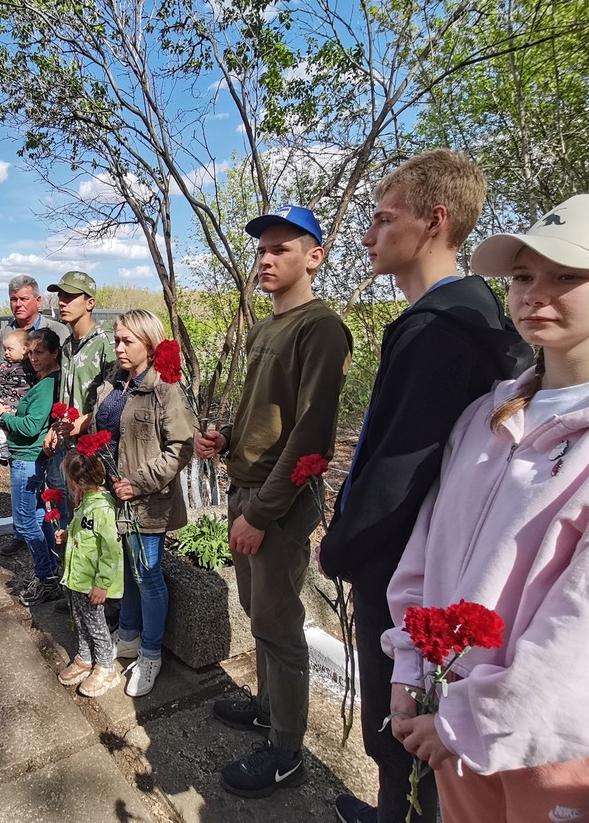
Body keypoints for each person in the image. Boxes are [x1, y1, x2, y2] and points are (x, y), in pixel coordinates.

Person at [383, 194, 589, 823]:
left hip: (560, 746)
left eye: (567, 276)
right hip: (452, 718)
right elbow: (428, 550)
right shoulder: (487, 416)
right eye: (525, 276)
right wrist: (410, 664)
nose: (536, 294)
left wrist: (470, 716)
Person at [317, 150, 533, 823]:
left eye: (383, 219)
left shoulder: (441, 328)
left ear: (435, 221)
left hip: (406, 571)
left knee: (405, 727)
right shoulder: (463, 312)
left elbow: (399, 474)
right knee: (402, 727)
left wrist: (340, 547)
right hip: (418, 568)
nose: (367, 235)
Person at [194, 205, 353, 798]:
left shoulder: (322, 327)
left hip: (277, 503)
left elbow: (311, 435)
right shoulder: (265, 327)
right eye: (261, 248)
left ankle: (287, 752)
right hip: (246, 491)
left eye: (281, 248)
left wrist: (261, 514)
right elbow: (266, 416)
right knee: (258, 615)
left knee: (281, 628)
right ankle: (267, 708)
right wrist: (227, 439)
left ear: (314, 257)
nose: (265, 258)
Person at [90, 309, 195, 697]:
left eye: (126, 341)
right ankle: (130, 635)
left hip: (146, 500)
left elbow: (181, 447)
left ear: (149, 345)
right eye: (117, 339)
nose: (118, 347)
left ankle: (151, 653)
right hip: (112, 495)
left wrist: (137, 482)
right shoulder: (117, 383)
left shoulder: (164, 388)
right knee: (128, 569)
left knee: (148, 576)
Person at [0, 328, 65, 606]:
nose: (33, 358)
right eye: (30, 352)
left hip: (28, 458)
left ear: (54, 353)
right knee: (36, 516)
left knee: (24, 522)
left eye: (40, 352)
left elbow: (32, 425)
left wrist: (5, 417)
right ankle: (50, 569)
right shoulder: (44, 380)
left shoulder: (47, 385)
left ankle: (46, 577)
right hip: (26, 456)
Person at [43, 270, 116, 534]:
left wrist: (85, 422)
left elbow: (116, 396)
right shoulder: (67, 346)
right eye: (61, 295)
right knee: (78, 517)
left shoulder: (106, 343)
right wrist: (55, 429)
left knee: (101, 520)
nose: (62, 301)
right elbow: (65, 395)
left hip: (97, 449)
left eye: (71, 296)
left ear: (89, 302)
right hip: (70, 447)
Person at [55, 448, 124, 698]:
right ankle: (85, 657)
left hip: (91, 582)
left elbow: (110, 549)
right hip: (77, 579)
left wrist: (103, 583)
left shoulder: (102, 508)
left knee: (97, 625)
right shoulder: (86, 503)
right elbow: (83, 534)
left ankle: (105, 667)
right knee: (80, 621)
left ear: (77, 482)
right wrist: (67, 534)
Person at [0, 275, 68, 383]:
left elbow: (67, 370)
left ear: (38, 301)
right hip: (9, 399)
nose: (18, 304)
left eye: (24, 299)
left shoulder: (58, 331)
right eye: (13, 299)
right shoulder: (2, 336)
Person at [0, 328, 35, 465]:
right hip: (11, 398)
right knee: (8, 415)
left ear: (24, 350)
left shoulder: (31, 364)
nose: (6, 353)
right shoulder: (6, 366)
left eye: (10, 349)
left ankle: (9, 444)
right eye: (5, 349)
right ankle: (0, 443)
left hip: (25, 399)